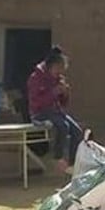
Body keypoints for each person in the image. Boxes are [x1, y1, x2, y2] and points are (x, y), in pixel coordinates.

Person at [28, 45, 82, 173]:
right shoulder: (35, 78)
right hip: (40, 113)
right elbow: (36, 102)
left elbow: (63, 104)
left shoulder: (58, 79)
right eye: (58, 69)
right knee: (63, 126)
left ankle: (72, 164)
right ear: (50, 66)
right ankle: (57, 158)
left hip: (56, 112)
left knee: (77, 132)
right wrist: (53, 92)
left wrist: (65, 94)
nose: (60, 73)